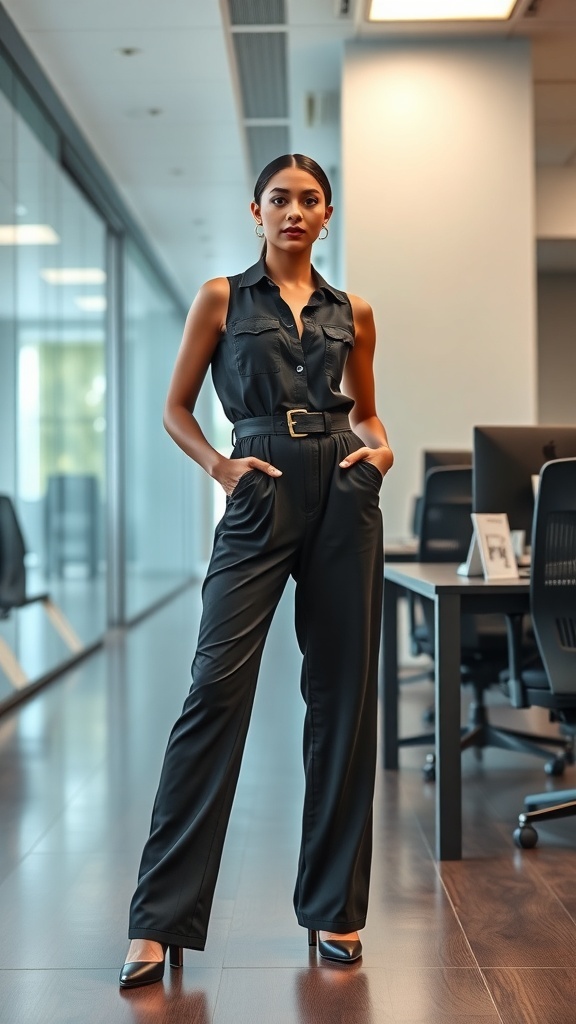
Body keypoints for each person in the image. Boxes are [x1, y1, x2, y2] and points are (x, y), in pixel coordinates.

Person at [120, 153, 394, 989]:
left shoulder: (354, 311)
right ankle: (157, 920)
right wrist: (220, 466)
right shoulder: (222, 298)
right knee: (214, 689)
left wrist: (381, 452)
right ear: (257, 211)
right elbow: (175, 407)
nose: (294, 212)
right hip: (259, 487)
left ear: (327, 214)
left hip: (344, 490)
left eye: (310, 200)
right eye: (280, 199)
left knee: (344, 698)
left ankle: (335, 908)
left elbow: (368, 409)